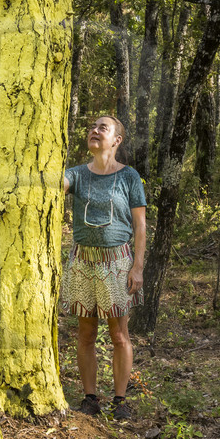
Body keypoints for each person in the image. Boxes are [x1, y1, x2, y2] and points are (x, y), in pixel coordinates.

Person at [61, 115, 147, 422]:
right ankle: (90, 399)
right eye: (92, 127)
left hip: (117, 263)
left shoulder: (129, 177)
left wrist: (137, 267)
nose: (94, 131)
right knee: (85, 333)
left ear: (117, 140)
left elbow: (140, 225)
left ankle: (120, 401)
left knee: (119, 335)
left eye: (103, 128)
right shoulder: (77, 174)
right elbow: (57, 184)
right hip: (83, 262)